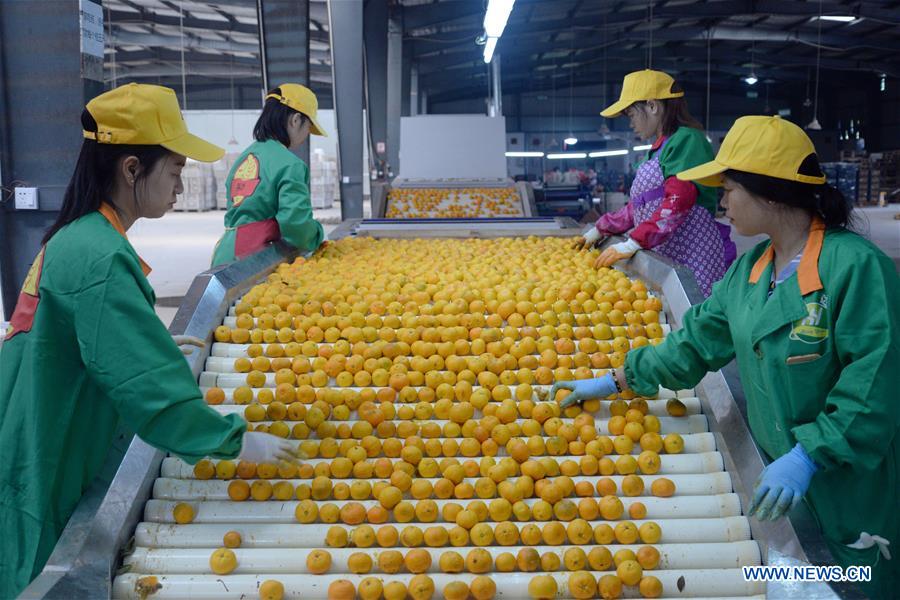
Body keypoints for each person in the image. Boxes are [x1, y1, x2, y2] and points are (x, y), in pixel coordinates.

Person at [554, 115, 899, 597]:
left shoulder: (857, 269)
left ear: (772, 192)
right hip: (777, 486)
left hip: (848, 493)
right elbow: (692, 344)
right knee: (790, 581)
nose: (722, 201)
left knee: (858, 583)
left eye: (730, 187)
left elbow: (876, 384)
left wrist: (809, 455)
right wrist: (616, 379)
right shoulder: (750, 273)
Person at [0, 83, 298, 598]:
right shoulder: (100, 256)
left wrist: (146, 341)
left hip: (26, 432)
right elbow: (150, 394)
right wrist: (235, 439)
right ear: (132, 168)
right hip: (41, 463)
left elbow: (84, 339)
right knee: (31, 576)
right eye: (176, 170)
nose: (181, 187)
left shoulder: (80, 236)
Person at [573, 69, 736, 296]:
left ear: (652, 106)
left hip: (693, 253)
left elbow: (679, 200)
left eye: (631, 114)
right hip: (667, 250)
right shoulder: (657, 150)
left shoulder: (687, 140)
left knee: (692, 315)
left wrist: (634, 242)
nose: (630, 123)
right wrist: (601, 228)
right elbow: (639, 206)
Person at [211, 83, 326, 266]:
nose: (306, 135)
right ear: (296, 120)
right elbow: (296, 224)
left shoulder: (244, 157)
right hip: (257, 255)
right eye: (308, 128)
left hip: (226, 252)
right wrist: (317, 233)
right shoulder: (290, 164)